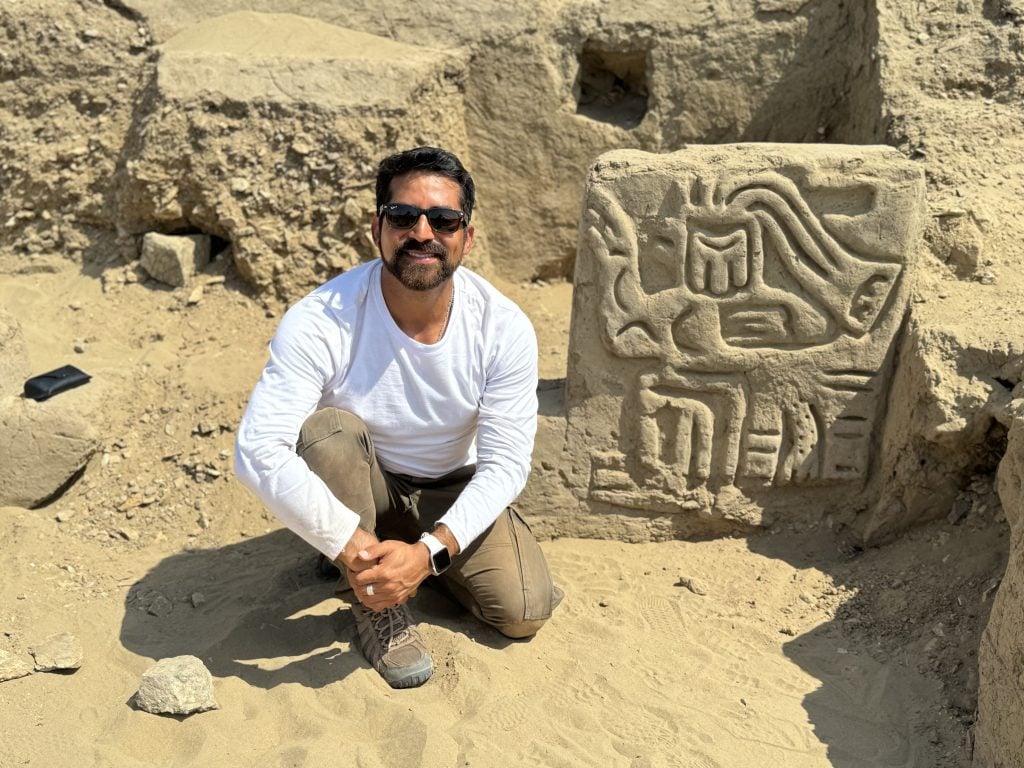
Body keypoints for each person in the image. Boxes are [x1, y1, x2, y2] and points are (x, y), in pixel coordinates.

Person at [235, 146, 560, 689]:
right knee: (327, 432)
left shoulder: (503, 327)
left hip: (449, 488)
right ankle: (370, 590)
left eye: (445, 220)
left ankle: (394, 562)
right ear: (377, 229)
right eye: (404, 217)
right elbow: (258, 450)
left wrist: (428, 552)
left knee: (523, 611)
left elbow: (504, 466)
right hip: (364, 481)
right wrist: (353, 543)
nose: (422, 232)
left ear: (467, 237)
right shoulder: (322, 319)